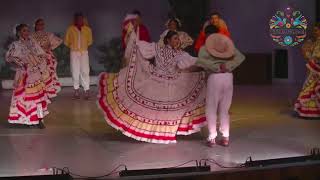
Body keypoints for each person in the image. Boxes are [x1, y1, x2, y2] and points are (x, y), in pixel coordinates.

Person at [97, 30, 207, 144]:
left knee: (167, 111)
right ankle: (153, 132)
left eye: (178, 39)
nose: (177, 41)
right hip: (156, 81)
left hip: (172, 83)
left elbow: (195, 62)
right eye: (175, 38)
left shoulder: (181, 54)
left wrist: (209, 63)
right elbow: (139, 46)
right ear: (168, 40)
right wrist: (133, 38)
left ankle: (164, 132)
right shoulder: (157, 49)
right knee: (153, 110)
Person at [179, 25, 245, 147]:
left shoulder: (205, 48)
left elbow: (201, 62)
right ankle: (225, 137)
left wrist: (215, 67)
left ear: (206, 35)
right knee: (224, 110)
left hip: (214, 77)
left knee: (211, 108)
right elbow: (241, 57)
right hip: (228, 77)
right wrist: (228, 66)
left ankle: (212, 137)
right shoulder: (227, 46)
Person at [6, 24, 52, 129]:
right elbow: (9, 57)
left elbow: (42, 54)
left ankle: (40, 119)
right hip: (23, 74)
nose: (26, 33)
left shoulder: (33, 43)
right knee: (22, 97)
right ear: (19, 33)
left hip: (35, 74)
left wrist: (41, 63)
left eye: (27, 31)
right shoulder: (15, 45)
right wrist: (21, 63)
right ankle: (24, 119)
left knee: (38, 97)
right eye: (24, 31)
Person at [64, 12, 93, 99]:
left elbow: (90, 41)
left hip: (84, 52)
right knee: (75, 71)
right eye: (78, 19)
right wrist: (74, 47)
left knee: (85, 71)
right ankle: (76, 91)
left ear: (83, 19)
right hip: (74, 52)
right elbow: (67, 41)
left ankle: (86, 91)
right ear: (75, 19)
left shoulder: (88, 29)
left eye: (81, 18)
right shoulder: (70, 29)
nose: (79, 20)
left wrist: (83, 48)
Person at [32, 18, 63, 98]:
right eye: (39, 24)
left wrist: (49, 48)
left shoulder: (48, 34)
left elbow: (58, 41)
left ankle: (48, 93)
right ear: (35, 25)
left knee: (49, 75)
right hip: (37, 58)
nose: (41, 26)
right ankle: (40, 93)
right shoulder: (31, 36)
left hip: (48, 58)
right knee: (39, 76)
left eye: (43, 24)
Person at [294, 23, 320, 118]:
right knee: (310, 89)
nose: (315, 33)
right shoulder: (317, 41)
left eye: (317, 30)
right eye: (315, 31)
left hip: (316, 69)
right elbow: (312, 56)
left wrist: (308, 53)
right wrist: (307, 52)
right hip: (314, 68)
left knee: (312, 89)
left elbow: (316, 56)